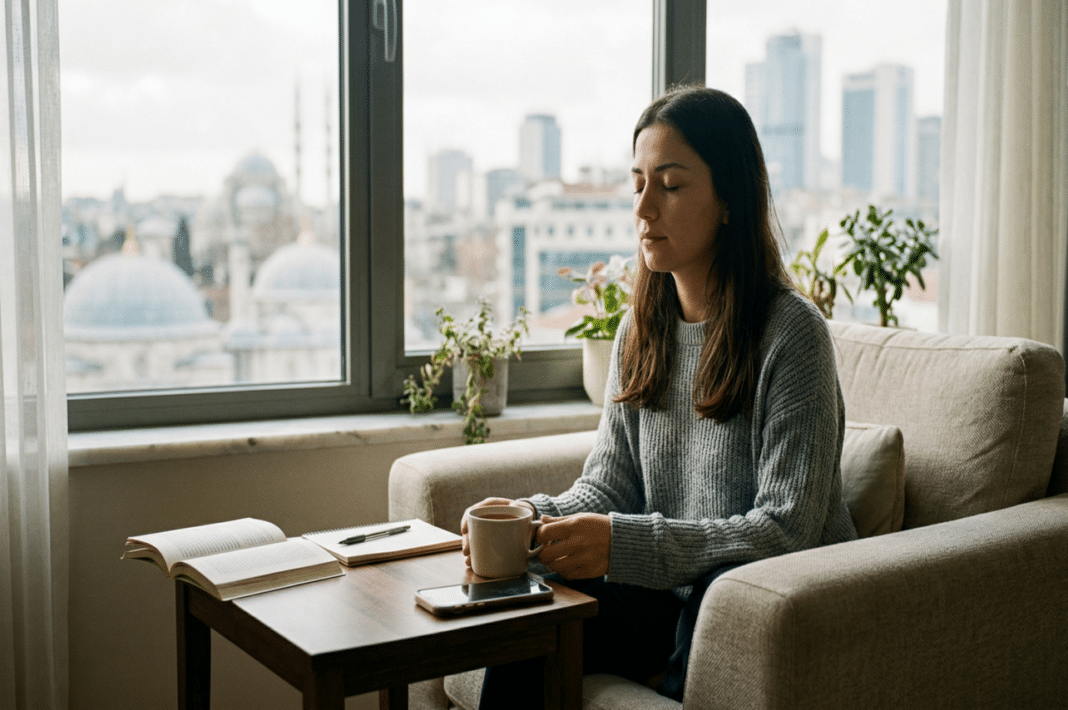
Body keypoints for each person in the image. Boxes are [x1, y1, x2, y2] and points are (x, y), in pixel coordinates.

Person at [462, 85, 858, 707]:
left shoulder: (792, 334)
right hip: (670, 594)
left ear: (729, 200)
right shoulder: (640, 328)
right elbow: (609, 486)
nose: (644, 209)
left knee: (714, 591)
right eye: (638, 184)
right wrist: (532, 519)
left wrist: (624, 544)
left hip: (766, 602)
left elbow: (787, 529)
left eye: (670, 185)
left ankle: (672, 677)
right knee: (528, 632)